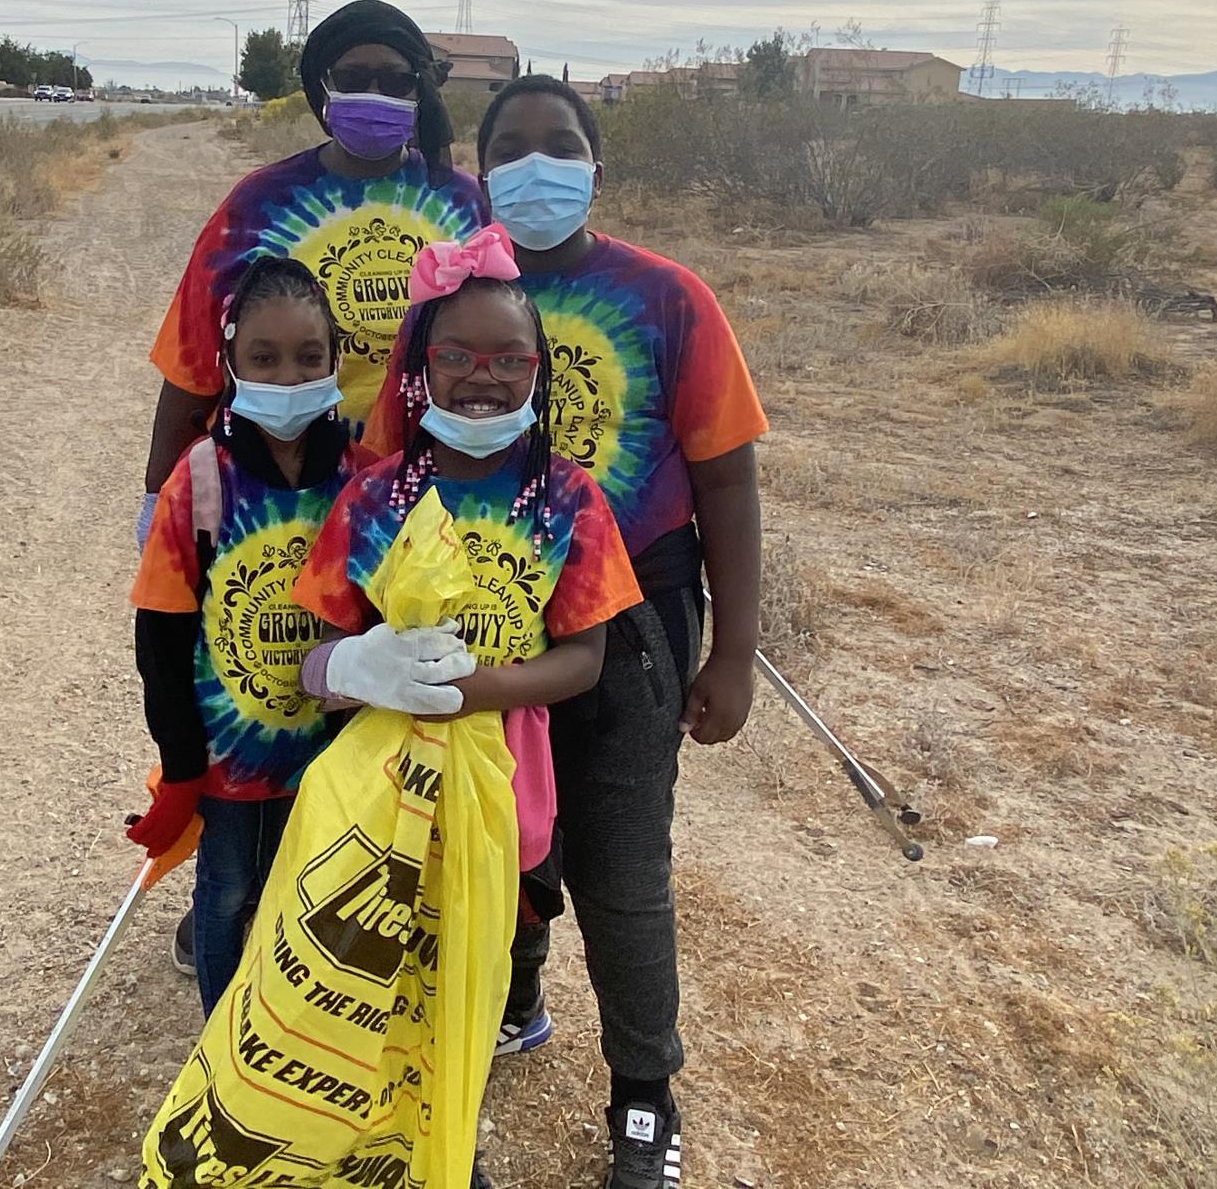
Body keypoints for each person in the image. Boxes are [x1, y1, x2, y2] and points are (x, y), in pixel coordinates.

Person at [365, 76, 768, 1189]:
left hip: (632, 621)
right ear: (479, 168)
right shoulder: (440, 310)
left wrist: (731, 652)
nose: (537, 163)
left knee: (620, 864)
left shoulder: (667, 297)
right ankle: (518, 998)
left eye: (562, 144)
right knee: (500, 835)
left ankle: (645, 1092)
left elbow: (728, 480)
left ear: (597, 163)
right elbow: (389, 465)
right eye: (511, 146)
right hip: (475, 620)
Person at [292, 227, 643, 1189]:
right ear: (418, 369)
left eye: (506, 360)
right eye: (455, 357)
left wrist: (478, 690)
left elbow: (584, 660)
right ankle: (406, 1138)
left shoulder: (566, 500)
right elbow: (311, 665)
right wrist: (361, 668)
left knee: (483, 966)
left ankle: (458, 1128)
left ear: (538, 370)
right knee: (395, 971)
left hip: (507, 784)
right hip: (384, 795)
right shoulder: (373, 500)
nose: (480, 379)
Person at [126, 257, 409, 1013]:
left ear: (335, 361)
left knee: (305, 887)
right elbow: (159, 632)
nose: (288, 377)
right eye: (264, 358)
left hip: (329, 753)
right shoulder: (202, 480)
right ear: (230, 363)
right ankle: (223, 1032)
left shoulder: (361, 479)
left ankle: (283, 1026)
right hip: (229, 760)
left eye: (308, 357)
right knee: (225, 891)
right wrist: (180, 764)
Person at [142, 0, 487, 528]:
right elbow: (192, 363)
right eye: (353, 76)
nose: (374, 94)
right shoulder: (259, 204)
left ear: (420, 89)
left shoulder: (464, 203)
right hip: (276, 493)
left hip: (426, 495)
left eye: (395, 80)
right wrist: (156, 497)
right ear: (322, 85)